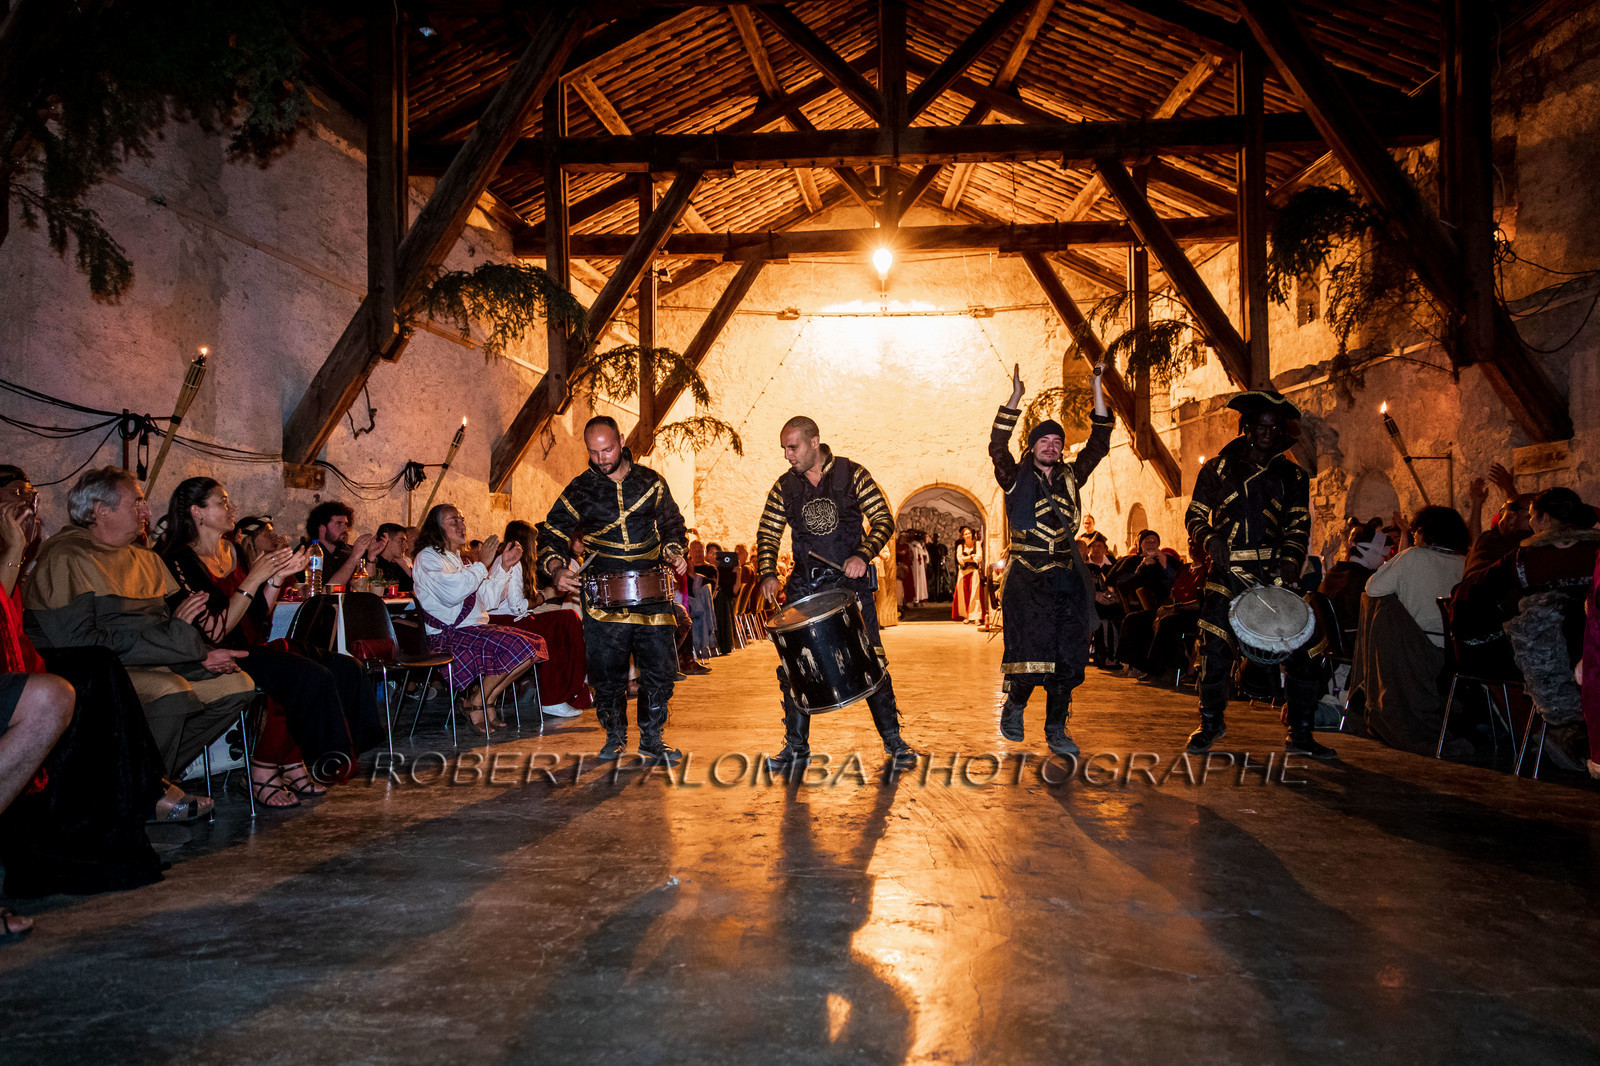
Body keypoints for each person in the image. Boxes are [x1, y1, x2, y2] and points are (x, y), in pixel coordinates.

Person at [23, 468, 256, 779]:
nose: (147, 511)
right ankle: (144, 788)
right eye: (136, 503)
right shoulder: (67, 557)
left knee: (237, 685)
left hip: (151, 660)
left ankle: (152, 778)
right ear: (100, 511)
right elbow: (80, 642)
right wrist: (179, 643)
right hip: (95, 671)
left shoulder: (146, 559)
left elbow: (165, 625)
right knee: (170, 693)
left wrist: (201, 653)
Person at [160, 478, 383, 802]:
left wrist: (276, 579)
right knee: (305, 675)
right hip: (212, 653)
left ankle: (295, 762)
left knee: (345, 667)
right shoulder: (179, 559)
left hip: (248, 646)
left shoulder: (231, 550)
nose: (231, 507)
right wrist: (254, 578)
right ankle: (265, 769)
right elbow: (216, 632)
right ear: (198, 512)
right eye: (222, 502)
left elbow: (257, 617)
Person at [0, 465, 166, 900]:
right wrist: (15, 550)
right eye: (17, 496)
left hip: (25, 659)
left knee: (99, 669)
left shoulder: (143, 557)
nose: (29, 506)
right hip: (21, 661)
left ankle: (141, 795)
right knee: (97, 666)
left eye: (33, 496)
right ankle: (150, 791)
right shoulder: (59, 553)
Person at [755, 415, 920, 772]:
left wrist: (862, 554)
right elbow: (768, 532)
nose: (787, 455)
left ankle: (894, 742)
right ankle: (796, 748)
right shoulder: (784, 487)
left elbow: (883, 520)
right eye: (784, 448)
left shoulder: (853, 474)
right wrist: (767, 573)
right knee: (794, 668)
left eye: (793, 446)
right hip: (804, 588)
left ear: (815, 442)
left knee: (871, 661)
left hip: (850, 587)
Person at [1184, 391, 1333, 759]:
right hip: (1227, 571)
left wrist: (1291, 558)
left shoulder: (1293, 474)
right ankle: (1211, 721)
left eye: (1274, 427)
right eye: (1261, 426)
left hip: (1273, 574)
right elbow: (1195, 515)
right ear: (1247, 428)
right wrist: (1210, 538)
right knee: (1215, 649)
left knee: (1306, 651)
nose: (1268, 433)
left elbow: (1299, 522)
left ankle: (1300, 732)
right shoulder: (1217, 468)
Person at [539, 417, 690, 765]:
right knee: (607, 674)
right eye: (593, 452)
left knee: (659, 670)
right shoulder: (580, 490)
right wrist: (556, 567)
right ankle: (615, 737)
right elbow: (553, 532)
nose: (601, 458)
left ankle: (653, 739)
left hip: (652, 592)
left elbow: (672, 523)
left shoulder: (651, 482)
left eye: (607, 449)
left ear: (621, 441)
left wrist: (673, 549)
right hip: (603, 596)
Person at [989, 361, 1113, 755]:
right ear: (1032, 446)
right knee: (1029, 652)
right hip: (1026, 576)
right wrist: (1014, 399)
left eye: (1057, 441)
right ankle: (1015, 706)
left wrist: (1097, 387)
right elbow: (996, 445)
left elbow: (1100, 442)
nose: (1052, 445)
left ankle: (1057, 728)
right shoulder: (1013, 476)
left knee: (1068, 657)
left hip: (1066, 576)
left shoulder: (1073, 477)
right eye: (1044, 440)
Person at [1463, 488, 1598, 770]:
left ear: (1545, 519)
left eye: (1533, 517)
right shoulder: (1596, 551)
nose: (1532, 524)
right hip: (1593, 653)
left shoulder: (1525, 557)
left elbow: (1474, 592)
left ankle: (1563, 735)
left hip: (1545, 662)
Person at [1346, 506, 1470, 755]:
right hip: (1457, 653)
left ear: (1423, 532)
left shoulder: (1413, 556)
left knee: (1382, 606)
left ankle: (1372, 700)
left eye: (1415, 532)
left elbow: (1372, 588)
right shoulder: (1465, 562)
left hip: (1415, 650)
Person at [412, 505, 544, 734]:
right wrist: (483, 564)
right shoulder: (427, 558)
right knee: (520, 647)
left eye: (462, 520)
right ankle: (478, 702)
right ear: (437, 527)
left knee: (536, 647)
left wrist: (503, 566)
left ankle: (481, 699)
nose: (461, 525)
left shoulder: (459, 560)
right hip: (447, 635)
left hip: (471, 629)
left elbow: (488, 600)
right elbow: (452, 594)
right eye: (454, 521)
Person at [478, 519, 590, 718]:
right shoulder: (515, 562)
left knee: (566, 619)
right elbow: (517, 606)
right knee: (566, 622)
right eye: (536, 542)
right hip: (506, 621)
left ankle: (563, 692)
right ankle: (553, 697)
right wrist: (545, 595)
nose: (537, 546)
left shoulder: (510, 561)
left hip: (507, 618)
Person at [304, 501, 385, 589]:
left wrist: (371, 557)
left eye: (346, 524)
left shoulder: (346, 551)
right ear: (323, 528)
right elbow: (328, 590)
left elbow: (366, 587)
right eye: (339, 523)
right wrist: (354, 557)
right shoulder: (308, 552)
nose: (345, 528)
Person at [951, 526, 986, 624]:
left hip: (974, 572)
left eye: (969, 533)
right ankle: (966, 615)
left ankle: (976, 617)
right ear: (962, 536)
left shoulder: (977, 544)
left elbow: (978, 558)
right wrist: (971, 557)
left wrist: (967, 558)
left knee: (975, 595)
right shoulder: (960, 547)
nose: (968, 535)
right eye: (965, 534)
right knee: (964, 595)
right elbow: (960, 560)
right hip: (963, 573)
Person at [370, 522, 414, 593]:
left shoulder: (398, 566)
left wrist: (402, 562)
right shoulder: (372, 563)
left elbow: (416, 587)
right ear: (386, 539)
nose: (406, 547)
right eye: (401, 541)